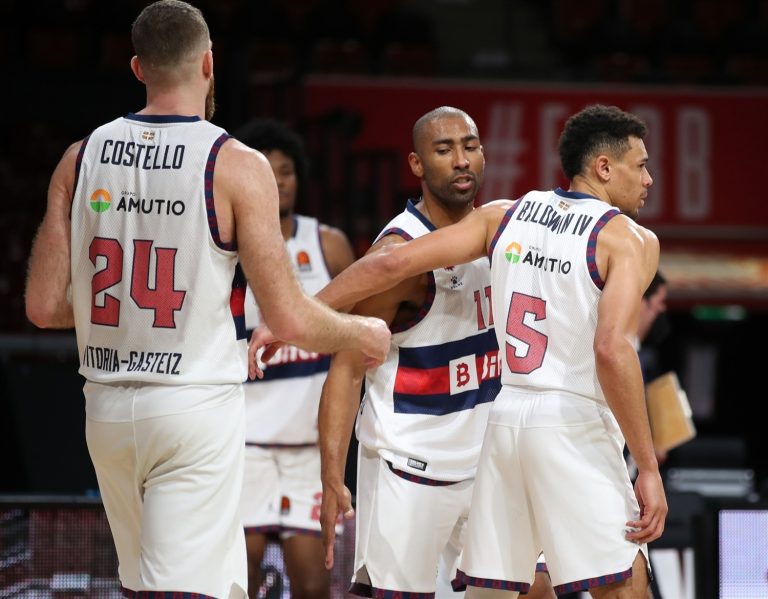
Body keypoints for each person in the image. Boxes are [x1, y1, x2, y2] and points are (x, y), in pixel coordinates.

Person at [23, 2, 389, 597]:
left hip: (107, 410)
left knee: (145, 585)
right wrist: (361, 334)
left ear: (139, 68)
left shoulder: (79, 156)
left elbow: (43, 307)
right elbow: (289, 316)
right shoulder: (236, 164)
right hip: (192, 408)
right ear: (209, 63)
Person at [308, 104, 668, 598]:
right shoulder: (624, 237)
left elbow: (387, 266)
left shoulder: (507, 219)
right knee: (621, 580)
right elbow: (610, 348)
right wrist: (648, 467)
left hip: (497, 434)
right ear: (604, 168)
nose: (649, 178)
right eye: (642, 165)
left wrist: (289, 318)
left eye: (470, 146)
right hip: (474, 445)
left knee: (514, 590)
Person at [317, 106, 555, 598]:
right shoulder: (398, 255)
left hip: (489, 464)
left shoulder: (503, 235)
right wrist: (331, 477)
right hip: (410, 464)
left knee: (536, 589)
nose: (461, 160)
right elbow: (345, 370)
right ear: (417, 165)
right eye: (444, 150)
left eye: (470, 146)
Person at [235, 118, 356, 599]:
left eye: (286, 171)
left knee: (312, 585)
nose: (278, 180)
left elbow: (363, 328)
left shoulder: (328, 243)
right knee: (233, 579)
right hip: (245, 443)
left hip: (310, 449)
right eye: (266, 171)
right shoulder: (228, 250)